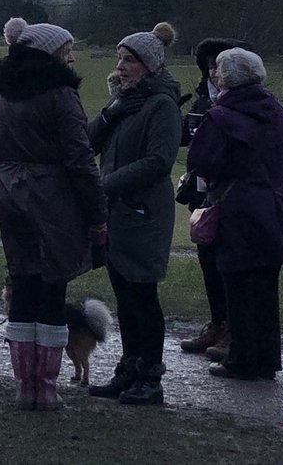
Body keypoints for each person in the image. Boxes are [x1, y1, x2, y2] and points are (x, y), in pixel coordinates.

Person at [0, 18, 106, 410]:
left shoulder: (2, 96)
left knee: (23, 286)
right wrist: (98, 216)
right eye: (65, 51)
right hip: (53, 201)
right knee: (52, 289)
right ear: (49, 55)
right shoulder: (62, 95)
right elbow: (81, 160)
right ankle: (46, 390)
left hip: (10, 198)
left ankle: (24, 386)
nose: (71, 58)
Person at [188, 48, 283, 381]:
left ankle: (241, 359)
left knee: (236, 284)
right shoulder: (278, 112)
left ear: (226, 78)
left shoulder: (221, 117)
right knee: (266, 288)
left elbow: (201, 161)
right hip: (277, 207)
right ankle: (267, 360)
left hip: (239, 209)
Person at [87, 22, 182, 406]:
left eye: (130, 60)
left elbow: (159, 162)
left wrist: (104, 185)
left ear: (150, 65)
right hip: (118, 214)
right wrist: (110, 113)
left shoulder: (161, 106)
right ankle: (128, 368)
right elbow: (89, 141)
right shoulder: (124, 103)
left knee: (143, 296)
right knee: (125, 296)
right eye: (120, 58)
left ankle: (150, 377)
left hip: (145, 215)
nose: (122, 66)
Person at [176, 37, 252, 360]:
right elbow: (183, 135)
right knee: (208, 262)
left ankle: (232, 331)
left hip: (231, 196)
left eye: (216, 67)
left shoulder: (238, 104)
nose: (211, 73)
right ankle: (218, 324)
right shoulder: (202, 101)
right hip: (203, 196)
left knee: (230, 266)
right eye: (207, 67)